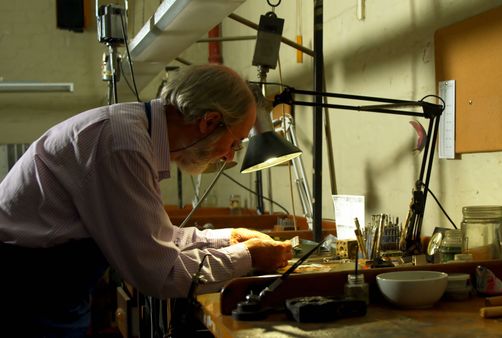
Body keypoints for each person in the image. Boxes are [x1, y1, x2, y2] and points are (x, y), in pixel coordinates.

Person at [0, 64, 293, 337]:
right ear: (209, 122)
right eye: (234, 143)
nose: (229, 156)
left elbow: (159, 236)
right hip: (26, 294)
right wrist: (248, 257)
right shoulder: (122, 144)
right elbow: (157, 272)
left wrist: (227, 238)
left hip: (54, 288)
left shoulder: (134, 132)